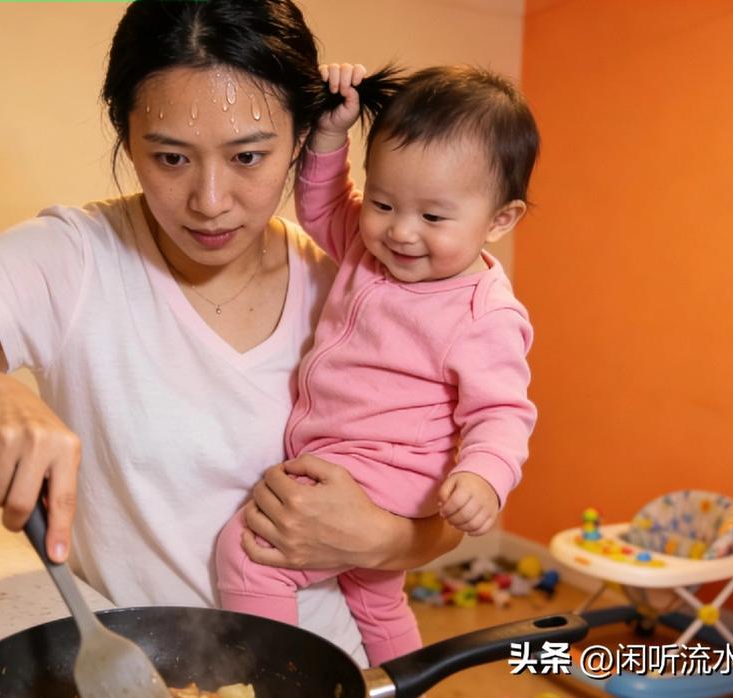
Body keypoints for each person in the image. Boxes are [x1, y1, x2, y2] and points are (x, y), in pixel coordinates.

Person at [0, 1, 461, 661]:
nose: (209, 200)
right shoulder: (74, 258)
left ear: (300, 139)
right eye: (171, 158)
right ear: (125, 137)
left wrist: (386, 542)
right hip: (140, 668)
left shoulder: (353, 288)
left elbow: (444, 502)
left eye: (248, 157)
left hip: (326, 665)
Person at [215, 62, 540, 665]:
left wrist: (485, 477)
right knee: (377, 597)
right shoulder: (369, 252)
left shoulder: (482, 314)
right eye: (384, 202)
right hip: (361, 462)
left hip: (390, 472)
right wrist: (332, 137)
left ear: (500, 220)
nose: (402, 232)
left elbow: (502, 413)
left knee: (250, 551)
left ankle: (272, 678)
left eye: (434, 217)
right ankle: (403, 681)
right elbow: (321, 207)